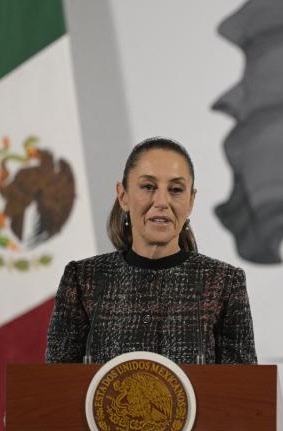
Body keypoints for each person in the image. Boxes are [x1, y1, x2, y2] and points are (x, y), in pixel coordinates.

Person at [46, 137, 257, 365]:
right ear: (123, 195)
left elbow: (242, 391)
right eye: (148, 187)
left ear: (191, 201)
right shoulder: (82, 279)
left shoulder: (224, 283)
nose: (162, 201)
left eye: (176, 189)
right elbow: (57, 387)